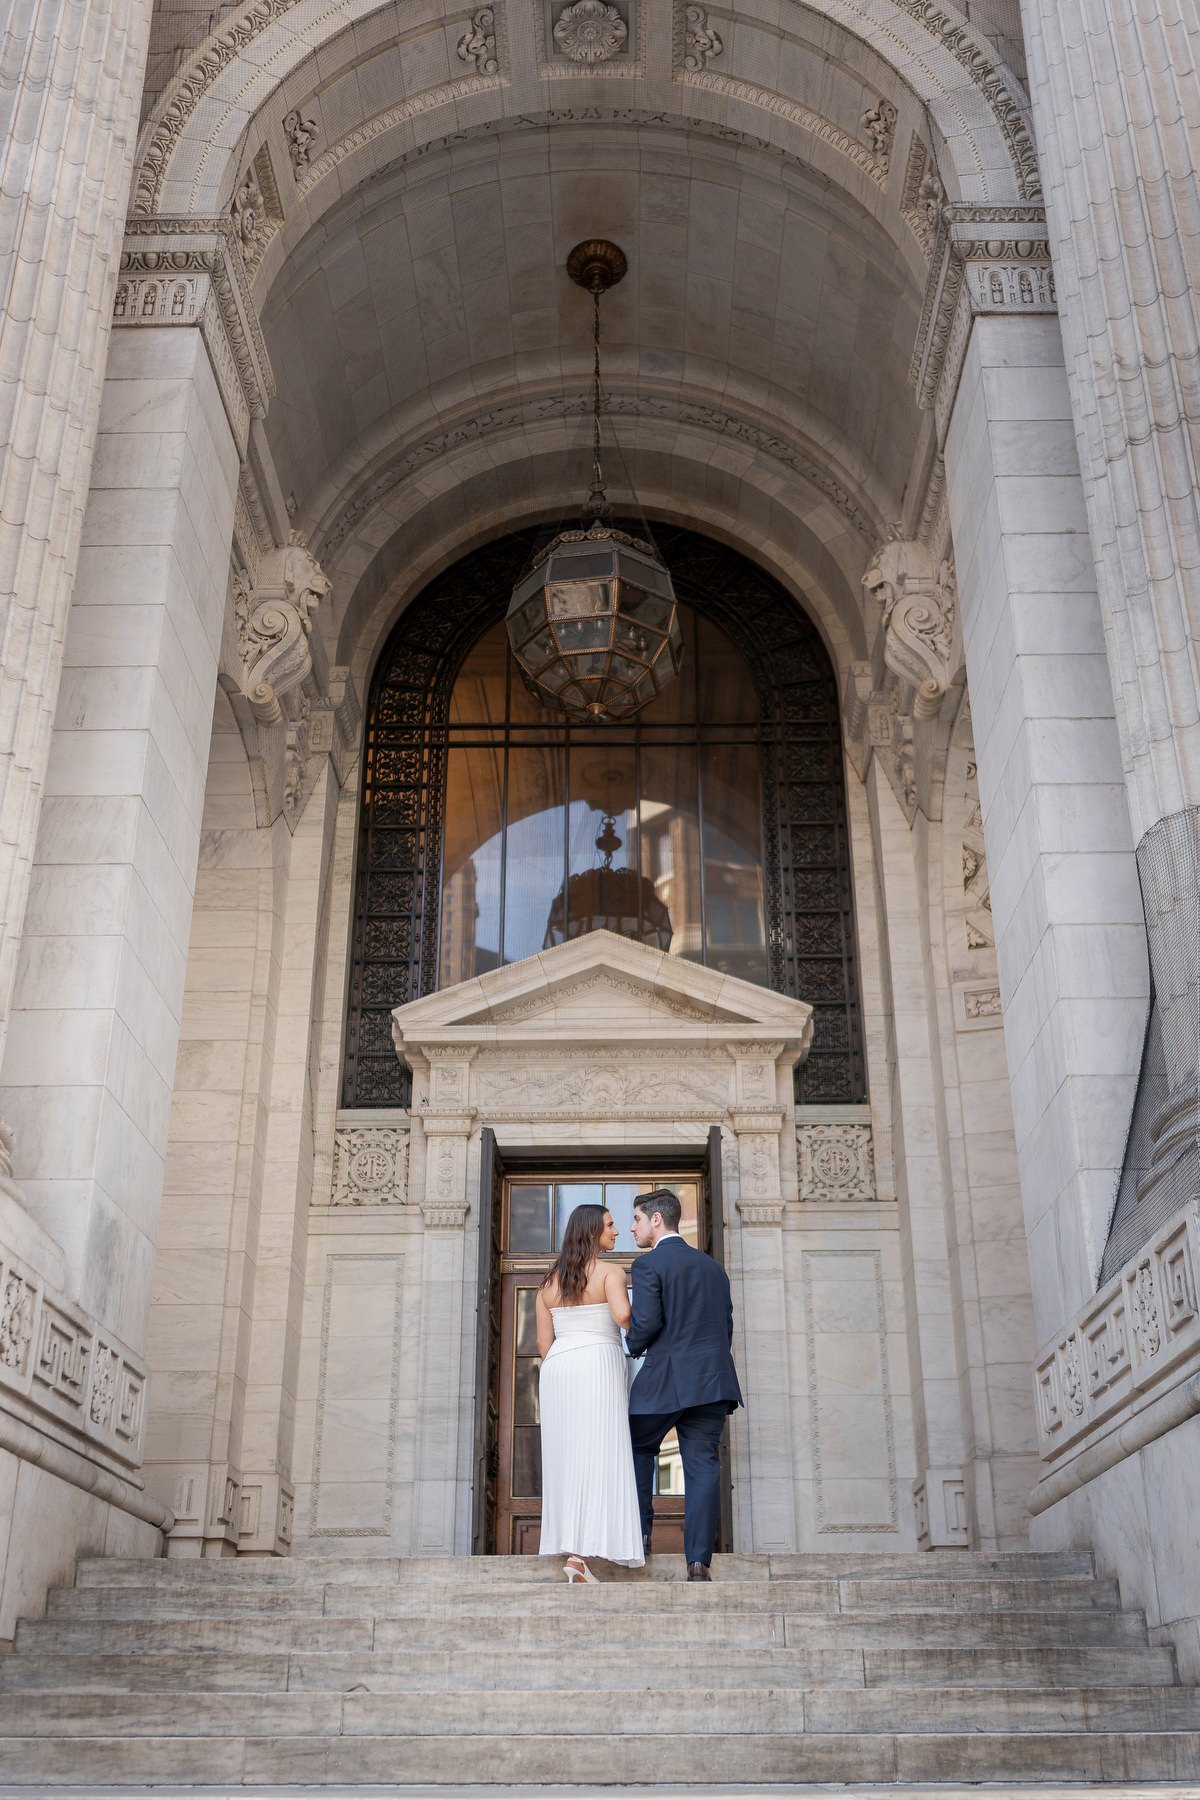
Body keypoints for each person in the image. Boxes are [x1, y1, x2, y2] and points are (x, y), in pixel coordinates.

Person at [627, 1187, 743, 1581]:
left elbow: (646, 1324)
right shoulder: (713, 1268)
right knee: (702, 1468)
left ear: (656, 1220)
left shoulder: (648, 1265)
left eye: (637, 1220)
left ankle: (641, 1536)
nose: (633, 1228)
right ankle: (697, 1562)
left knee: (636, 1447)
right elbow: (724, 1327)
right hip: (712, 1381)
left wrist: (629, 1347)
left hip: (664, 1378)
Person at [536, 1203, 645, 1581]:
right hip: (597, 1361)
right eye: (611, 1226)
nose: (616, 1231)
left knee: (567, 1457)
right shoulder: (611, 1272)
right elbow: (622, 1318)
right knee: (600, 1452)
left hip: (559, 1367)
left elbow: (542, 1343)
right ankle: (584, 1552)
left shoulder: (549, 1282)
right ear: (592, 1231)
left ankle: (575, 1553)